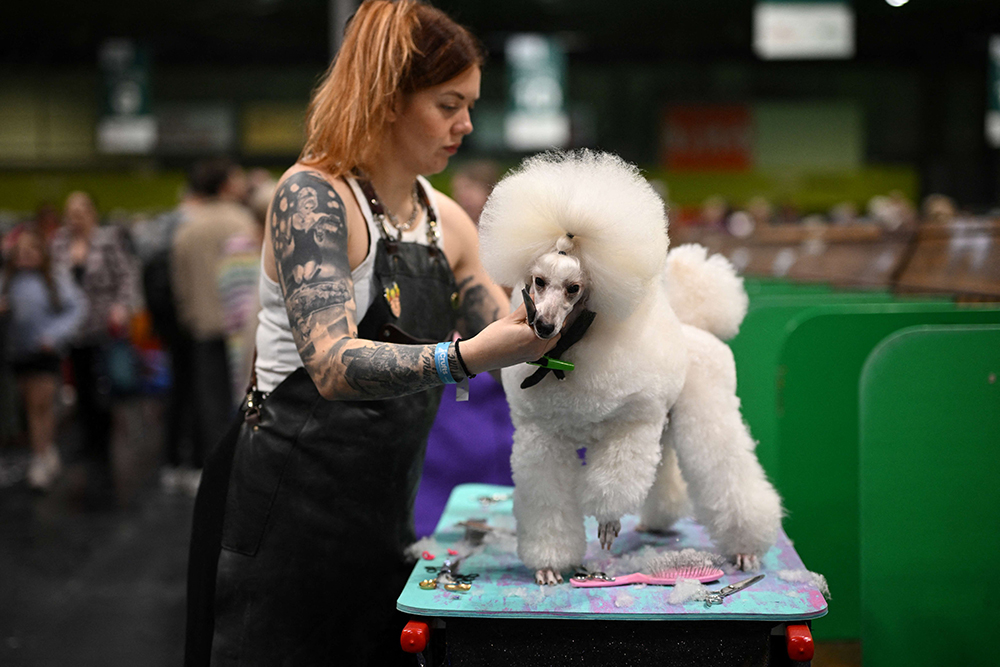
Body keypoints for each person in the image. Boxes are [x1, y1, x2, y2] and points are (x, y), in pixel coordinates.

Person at [184, 2, 557, 665]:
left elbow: (515, 345)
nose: (466, 124)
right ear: (388, 97)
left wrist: (577, 315)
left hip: (383, 516)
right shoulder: (314, 198)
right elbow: (332, 364)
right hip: (285, 515)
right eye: (448, 104)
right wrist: (465, 356)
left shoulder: (447, 223)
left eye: (469, 105)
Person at [171, 158, 259, 486]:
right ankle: (241, 472)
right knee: (243, 399)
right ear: (225, 184)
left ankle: (212, 474)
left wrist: (190, 317)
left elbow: (179, 283)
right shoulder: (242, 221)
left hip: (203, 327)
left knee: (209, 403)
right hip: (243, 328)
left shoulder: (187, 225)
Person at [50, 191, 139, 497]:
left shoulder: (107, 239)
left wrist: (121, 307)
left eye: (79, 212)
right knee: (79, 386)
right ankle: (85, 441)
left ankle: (104, 443)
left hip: (103, 325)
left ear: (91, 212)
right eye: (69, 212)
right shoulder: (59, 243)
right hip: (72, 329)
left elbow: (126, 277)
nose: (74, 218)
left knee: (105, 384)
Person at [0, 229, 84, 490]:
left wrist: (55, 335)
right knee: (31, 407)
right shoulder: (7, 281)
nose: (25, 257)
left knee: (41, 405)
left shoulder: (54, 279)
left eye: (31, 251)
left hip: (44, 353)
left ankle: (41, 456)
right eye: (21, 252)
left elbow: (77, 308)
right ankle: (45, 451)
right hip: (17, 354)